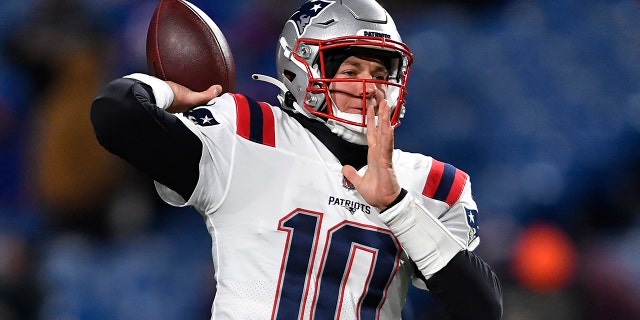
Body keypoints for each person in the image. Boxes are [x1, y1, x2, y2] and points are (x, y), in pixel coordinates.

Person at [90, 0, 502, 318]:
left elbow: (482, 310)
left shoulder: (430, 182)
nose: (368, 87)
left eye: (380, 74)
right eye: (351, 69)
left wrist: (397, 207)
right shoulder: (247, 132)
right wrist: (171, 92)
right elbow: (114, 116)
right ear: (300, 68)